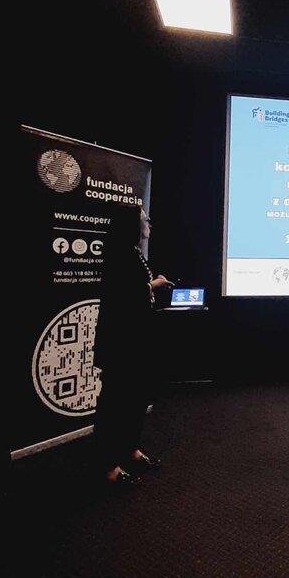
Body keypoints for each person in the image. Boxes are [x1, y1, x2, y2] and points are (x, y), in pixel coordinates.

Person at [92, 205, 171, 486]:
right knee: (116, 405)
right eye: (144, 219)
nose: (149, 223)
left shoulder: (133, 253)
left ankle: (130, 450)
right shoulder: (118, 255)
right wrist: (154, 284)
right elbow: (126, 296)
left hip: (137, 344)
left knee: (135, 401)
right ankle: (108, 466)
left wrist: (151, 285)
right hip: (121, 347)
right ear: (131, 226)